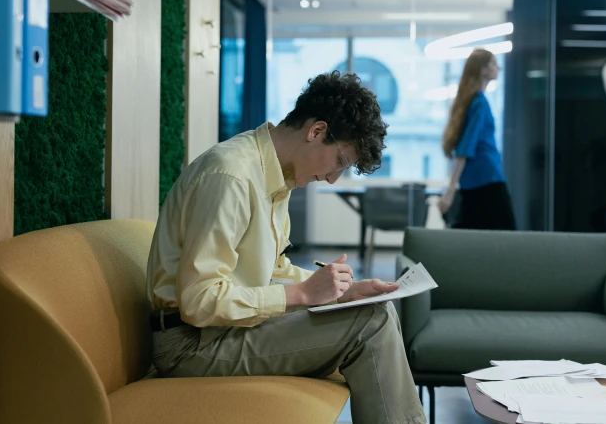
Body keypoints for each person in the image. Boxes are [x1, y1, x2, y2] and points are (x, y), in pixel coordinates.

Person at [147, 71, 427, 424]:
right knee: (370, 322)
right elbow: (199, 301)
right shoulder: (230, 177)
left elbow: (272, 271)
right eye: (340, 162)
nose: (332, 178)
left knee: (377, 310)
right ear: (317, 131)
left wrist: (340, 292)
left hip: (223, 332)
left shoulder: (276, 178)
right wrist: (302, 295)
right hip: (191, 346)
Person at [438, 48, 516, 230]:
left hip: (473, 182)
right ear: (483, 69)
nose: (498, 68)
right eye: (494, 64)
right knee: (505, 235)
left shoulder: (470, 101)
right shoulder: (479, 103)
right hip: (488, 180)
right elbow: (465, 148)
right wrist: (450, 190)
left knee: (475, 235)